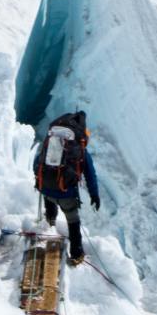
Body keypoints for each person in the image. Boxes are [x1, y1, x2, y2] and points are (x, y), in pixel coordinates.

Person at [33, 111, 100, 267]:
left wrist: (39, 181)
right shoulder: (80, 150)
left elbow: (37, 161)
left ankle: (49, 224)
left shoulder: (51, 141)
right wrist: (94, 194)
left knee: (50, 204)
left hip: (46, 189)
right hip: (66, 194)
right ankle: (76, 254)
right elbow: (90, 174)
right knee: (73, 221)